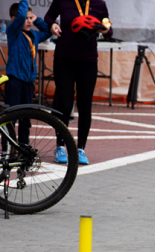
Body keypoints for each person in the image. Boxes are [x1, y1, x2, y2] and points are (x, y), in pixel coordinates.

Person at [45, 0, 112, 165]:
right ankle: (60, 145)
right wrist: (52, 25)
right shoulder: (63, 1)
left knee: (85, 105)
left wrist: (105, 28)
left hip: (88, 61)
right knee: (65, 103)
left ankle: (81, 148)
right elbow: (48, 17)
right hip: (64, 59)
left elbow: (108, 31)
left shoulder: (99, 4)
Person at [5, 0, 51, 145]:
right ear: (15, 19)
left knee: (26, 119)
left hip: (28, 83)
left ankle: (23, 147)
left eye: (31, 18)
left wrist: (37, 19)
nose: (29, 21)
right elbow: (20, 18)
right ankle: (7, 149)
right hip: (15, 81)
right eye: (26, 18)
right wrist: (24, 2)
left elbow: (47, 31)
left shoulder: (34, 35)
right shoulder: (13, 32)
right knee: (10, 118)